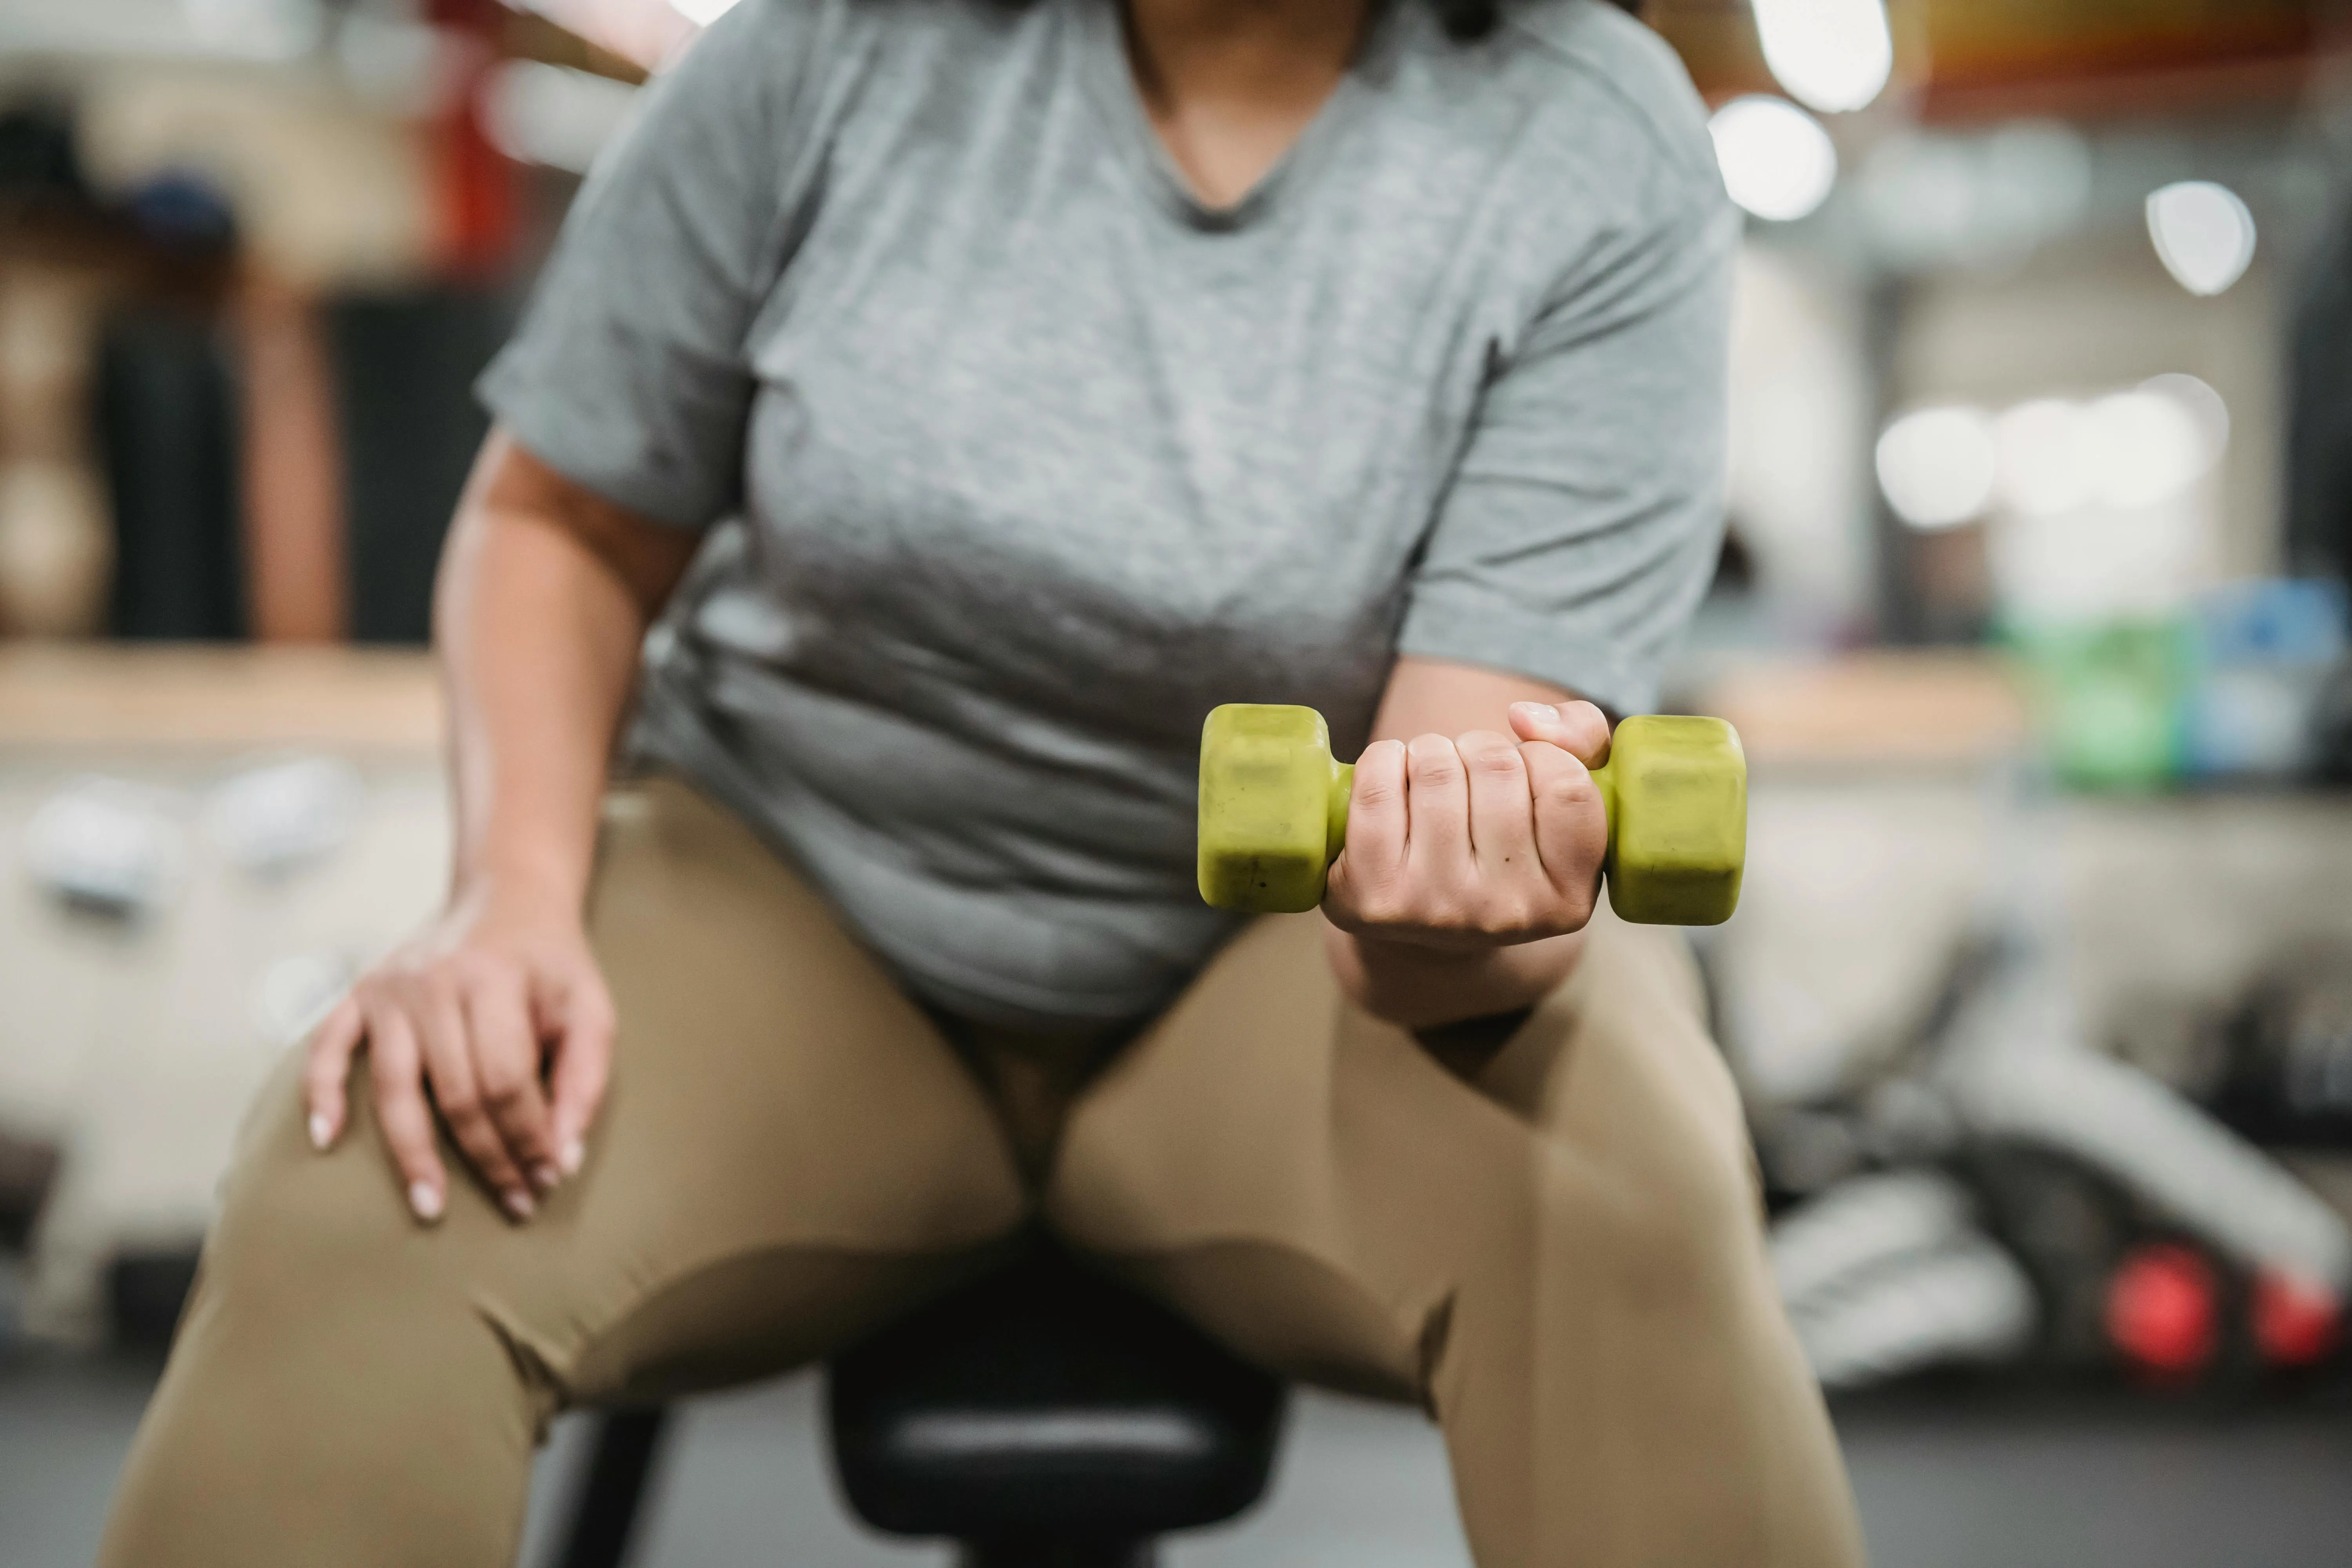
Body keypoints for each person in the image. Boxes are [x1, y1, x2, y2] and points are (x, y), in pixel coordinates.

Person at [100, 0, 1864, 1561]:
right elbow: (559, 518)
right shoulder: (836, 48)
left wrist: (1457, 902)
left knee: (1625, 1146)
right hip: (797, 903)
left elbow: (1429, 879)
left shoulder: (1590, 138)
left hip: (1260, 986)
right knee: (377, 1156)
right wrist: (510, 895)